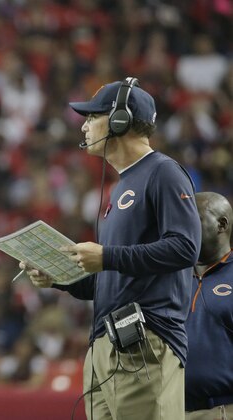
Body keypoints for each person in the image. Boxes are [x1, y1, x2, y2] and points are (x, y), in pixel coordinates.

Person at [21, 77, 201, 419]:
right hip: (109, 343)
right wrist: (58, 278)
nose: (85, 125)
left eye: (93, 116)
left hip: (145, 340)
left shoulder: (163, 172)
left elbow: (184, 248)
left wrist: (105, 256)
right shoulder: (120, 188)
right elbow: (111, 277)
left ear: (120, 120)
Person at [185, 192, 233, 420]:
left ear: (221, 225)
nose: (184, 228)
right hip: (173, 409)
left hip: (222, 411)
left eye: (193, 220)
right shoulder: (171, 277)